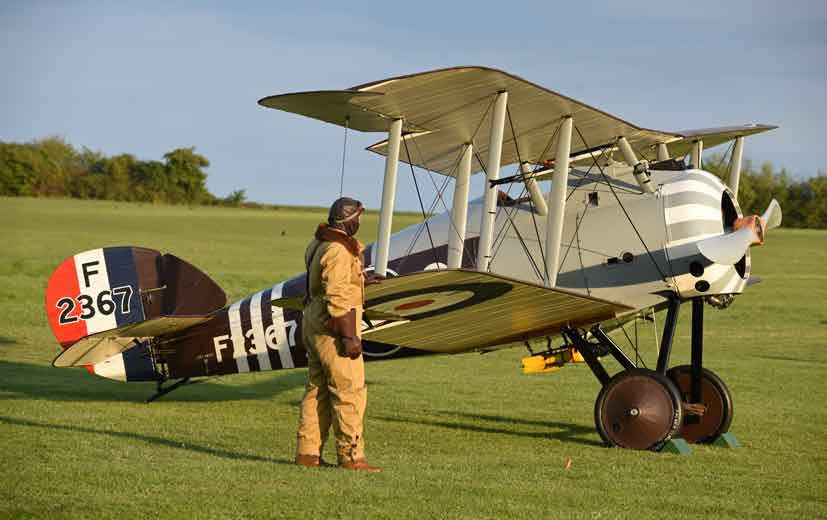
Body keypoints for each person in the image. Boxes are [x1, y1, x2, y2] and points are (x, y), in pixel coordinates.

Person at [294, 197, 381, 472]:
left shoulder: (318, 243)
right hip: (332, 329)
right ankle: (351, 456)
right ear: (348, 220)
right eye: (358, 217)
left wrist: (362, 281)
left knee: (317, 390)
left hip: (313, 323)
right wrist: (349, 337)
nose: (360, 222)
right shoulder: (339, 250)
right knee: (349, 391)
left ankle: (307, 453)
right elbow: (337, 295)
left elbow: (327, 281)